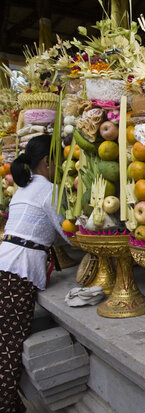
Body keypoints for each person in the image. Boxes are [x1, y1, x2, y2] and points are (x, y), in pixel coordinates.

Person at [0, 134, 70, 413]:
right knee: (9, 344)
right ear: (46, 161)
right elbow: (66, 234)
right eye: (59, 161)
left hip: (6, 264)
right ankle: (7, 405)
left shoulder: (23, 189)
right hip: (17, 272)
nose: (61, 167)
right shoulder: (48, 191)